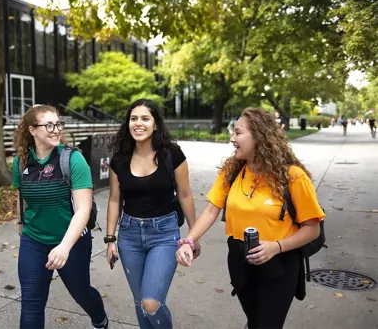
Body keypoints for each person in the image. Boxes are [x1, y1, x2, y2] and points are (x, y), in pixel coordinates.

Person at [176, 107, 325, 329]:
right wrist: (188, 241)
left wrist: (276, 247)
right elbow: (211, 210)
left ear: (259, 136)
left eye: (237, 133)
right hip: (240, 260)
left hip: (280, 264)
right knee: (255, 320)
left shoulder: (293, 176)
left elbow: (312, 229)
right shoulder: (231, 171)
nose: (231, 138)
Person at [105, 99, 200, 329]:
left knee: (151, 303)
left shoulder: (172, 154)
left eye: (145, 118)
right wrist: (110, 239)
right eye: (134, 118)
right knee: (140, 303)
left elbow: (185, 195)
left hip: (164, 234)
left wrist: (193, 235)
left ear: (155, 125)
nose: (138, 123)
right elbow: (114, 199)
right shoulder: (119, 159)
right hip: (129, 236)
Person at [12, 104, 108, 329]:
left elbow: (83, 209)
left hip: (71, 242)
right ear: (32, 130)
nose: (56, 130)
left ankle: (100, 319)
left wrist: (64, 247)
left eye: (58, 124)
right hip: (33, 241)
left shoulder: (72, 159)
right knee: (31, 304)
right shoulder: (21, 162)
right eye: (48, 125)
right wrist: (20, 222)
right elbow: (20, 196)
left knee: (81, 293)